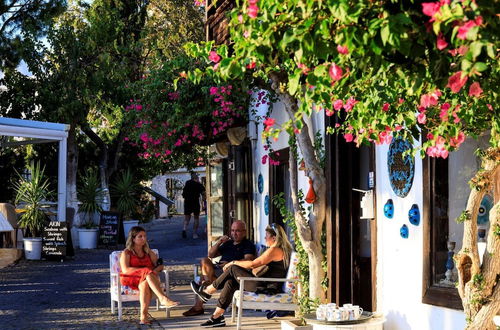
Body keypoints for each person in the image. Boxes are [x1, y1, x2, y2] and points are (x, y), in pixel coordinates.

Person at [191, 223, 292, 328]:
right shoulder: (277, 250)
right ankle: (216, 317)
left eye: (266, 235)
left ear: (274, 238)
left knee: (233, 268)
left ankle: (208, 291)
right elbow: (211, 255)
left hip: (267, 287)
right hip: (263, 282)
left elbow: (253, 264)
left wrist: (233, 262)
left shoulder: (274, 250)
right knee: (231, 282)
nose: (264, 237)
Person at [183, 220, 256, 317]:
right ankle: (207, 283)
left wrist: (229, 264)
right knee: (204, 260)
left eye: (237, 231)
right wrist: (219, 242)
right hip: (218, 270)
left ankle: (200, 301)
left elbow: (248, 259)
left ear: (244, 232)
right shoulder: (228, 243)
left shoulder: (247, 244)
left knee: (203, 281)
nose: (234, 233)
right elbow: (211, 254)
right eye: (232, 230)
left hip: (231, 274)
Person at [120, 226, 179, 325]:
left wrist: (152, 272)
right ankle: (163, 298)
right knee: (147, 272)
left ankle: (143, 317)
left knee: (144, 284)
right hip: (131, 278)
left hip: (148, 278)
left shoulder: (148, 252)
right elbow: (126, 270)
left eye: (145, 236)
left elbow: (160, 266)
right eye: (140, 236)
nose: (144, 239)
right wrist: (145, 271)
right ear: (133, 239)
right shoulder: (126, 252)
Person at [182, 172, 205, 239]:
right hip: (195, 202)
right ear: (196, 178)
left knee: (187, 218)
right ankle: (194, 234)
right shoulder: (199, 184)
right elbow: (203, 193)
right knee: (196, 218)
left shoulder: (187, 183)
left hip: (187, 202)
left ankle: (184, 229)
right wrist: (204, 202)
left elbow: (183, 194)